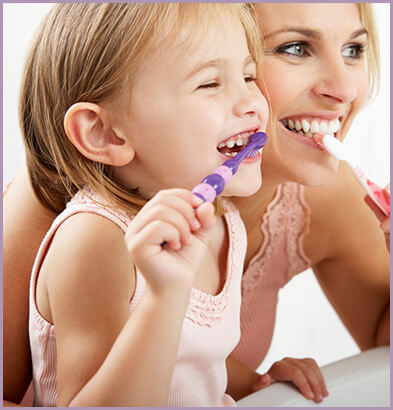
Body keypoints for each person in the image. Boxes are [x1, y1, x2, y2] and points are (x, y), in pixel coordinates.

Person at [3, 1, 388, 406]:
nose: (344, 90)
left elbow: (192, 358)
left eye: (247, 75)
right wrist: (165, 298)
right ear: (105, 134)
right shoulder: (92, 235)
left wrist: (255, 383)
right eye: (294, 48)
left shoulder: (221, 220)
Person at [226, 2, 390, 402]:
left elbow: (382, 346)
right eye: (295, 48)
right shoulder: (90, 209)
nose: (345, 90)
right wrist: (250, 384)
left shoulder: (328, 198)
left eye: (353, 50)